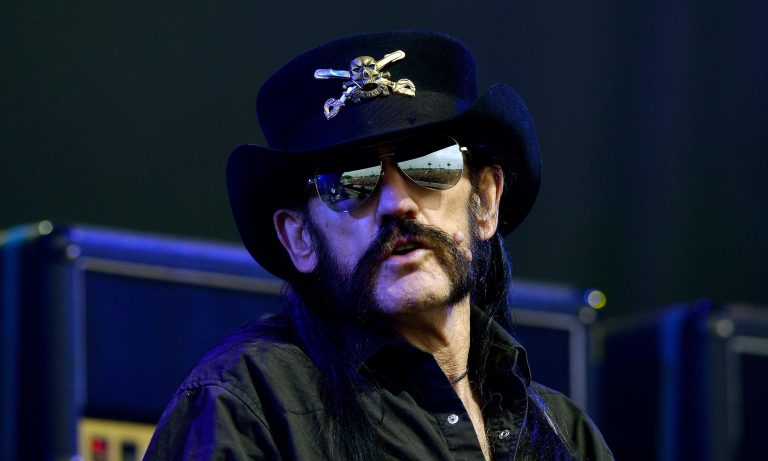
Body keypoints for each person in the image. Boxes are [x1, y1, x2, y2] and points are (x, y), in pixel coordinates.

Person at [143, 31, 613, 460]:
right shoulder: (246, 403)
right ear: (299, 238)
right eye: (350, 182)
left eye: (429, 163)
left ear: (486, 200)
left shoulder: (568, 436)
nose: (396, 203)